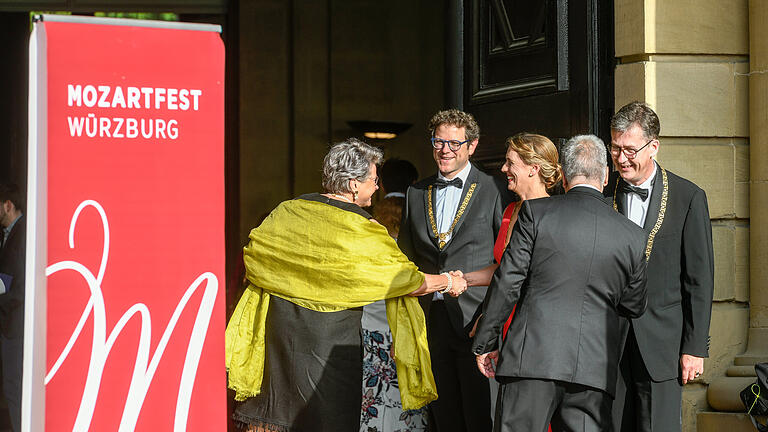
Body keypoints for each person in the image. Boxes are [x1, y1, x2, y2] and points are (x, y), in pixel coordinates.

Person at [225, 138, 469, 432]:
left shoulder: (287, 211)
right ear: (354, 184)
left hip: (281, 337)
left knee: (276, 418)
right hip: (330, 344)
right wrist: (448, 281)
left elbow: (254, 256)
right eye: (374, 180)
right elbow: (406, 280)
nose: (377, 187)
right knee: (328, 419)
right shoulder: (364, 229)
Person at [472, 134, 648, 432]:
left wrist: (486, 342)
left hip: (531, 361)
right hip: (593, 369)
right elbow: (634, 304)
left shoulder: (536, 214)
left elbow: (508, 281)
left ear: (564, 175)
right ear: (606, 176)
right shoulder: (632, 235)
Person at [607, 101, 714, 432]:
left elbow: (699, 279)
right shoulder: (601, 194)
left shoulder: (688, 197)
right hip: (608, 342)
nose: (621, 158)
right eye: (614, 148)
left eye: (629, 149)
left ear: (654, 146)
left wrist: (694, 348)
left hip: (663, 346)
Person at [398, 109, 505, 432]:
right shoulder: (416, 193)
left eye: (454, 143)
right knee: (442, 415)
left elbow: (507, 260)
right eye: (438, 142)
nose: (445, 150)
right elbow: (406, 261)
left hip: (477, 320)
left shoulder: (494, 188)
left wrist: (493, 318)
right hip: (430, 320)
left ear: (472, 146)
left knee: (479, 414)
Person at [361, 158, 425, 431]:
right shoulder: (420, 220)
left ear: (381, 185)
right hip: (406, 324)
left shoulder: (369, 224)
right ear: (413, 184)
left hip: (371, 324)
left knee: (373, 392)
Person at [0, 183, 25, 432]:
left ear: (8, 205)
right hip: (11, 323)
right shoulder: (12, 233)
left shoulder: (21, 236)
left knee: (13, 387)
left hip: (15, 326)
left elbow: (15, 289)